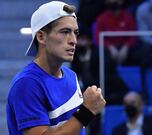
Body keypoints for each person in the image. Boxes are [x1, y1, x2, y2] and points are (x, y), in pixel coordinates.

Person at [6, 1, 106, 135]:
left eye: (75, 32)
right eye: (65, 32)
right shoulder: (27, 83)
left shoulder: (71, 76)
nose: (74, 40)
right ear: (41, 36)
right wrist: (87, 111)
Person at [71, 27, 128, 105]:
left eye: (83, 39)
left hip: (110, 91)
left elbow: (105, 76)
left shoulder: (101, 53)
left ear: (90, 41)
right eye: (78, 40)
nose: (80, 43)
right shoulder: (75, 55)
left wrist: (88, 89)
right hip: (89, 93)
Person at [95, 0, 136, 65]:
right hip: (108, 49)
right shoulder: (101, 18)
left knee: (138, 53)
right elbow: (98, 38)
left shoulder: (128, 17)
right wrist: (110, 47)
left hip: (126, 48)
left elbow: (133, 36)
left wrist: (126, 47)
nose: (113, 2)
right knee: (100, 53)